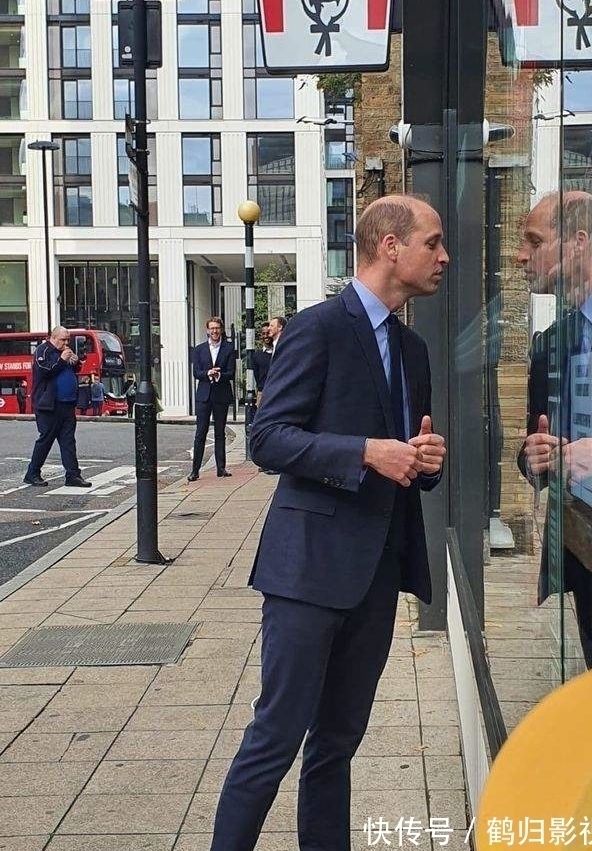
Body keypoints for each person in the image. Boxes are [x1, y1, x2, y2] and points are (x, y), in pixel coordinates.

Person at [209, 194, 448, 851]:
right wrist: (365, 451)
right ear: (390, 245)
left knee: (337, 741)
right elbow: (268, 439)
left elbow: (409, 462)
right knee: (276, 736)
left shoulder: (413, 348)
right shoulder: (316, 327)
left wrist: (423, 462)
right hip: (307, 567)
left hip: (375, 574)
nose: (444, 256)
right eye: (433, 242)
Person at [516, 191, 592, 666]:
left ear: (579, 242)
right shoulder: (551, 342)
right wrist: (534, 457)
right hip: (587, 556)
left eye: (533, 241)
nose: (521, 256)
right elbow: (530, 450)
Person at [23, 325, 92, 488]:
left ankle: (73, 475)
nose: (66, 343)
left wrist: (75, 363)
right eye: (63, 339)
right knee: (46, 439)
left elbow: (71, 372)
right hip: (49, 405)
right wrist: (62, 359)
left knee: (68, 441)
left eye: (68, 339)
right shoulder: (43, 350)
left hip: (67, 404)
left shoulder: (65, 352)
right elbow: (45, 371)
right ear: (53, 338)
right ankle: (32, 473)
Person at [188, 316, 236, 481]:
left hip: (221, 394)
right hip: (204, 395)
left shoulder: (229, 349)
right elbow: (196, 373)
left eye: (217, 328)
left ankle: (221, 468)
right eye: (212, 328)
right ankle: (195, 470)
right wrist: (208, 373)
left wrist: (219, 375)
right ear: (207, 330)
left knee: (220, 433)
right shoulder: (199, 349)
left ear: (221, 329)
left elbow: (231, 373)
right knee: (201, 433)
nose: (215, 331)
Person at [252, 322, 274, 407]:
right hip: (262, 393)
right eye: (263, 333)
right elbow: (257, 376)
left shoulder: (279, 353)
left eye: (268, 333)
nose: (266, 336)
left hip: (277, 391)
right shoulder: (257, 356)